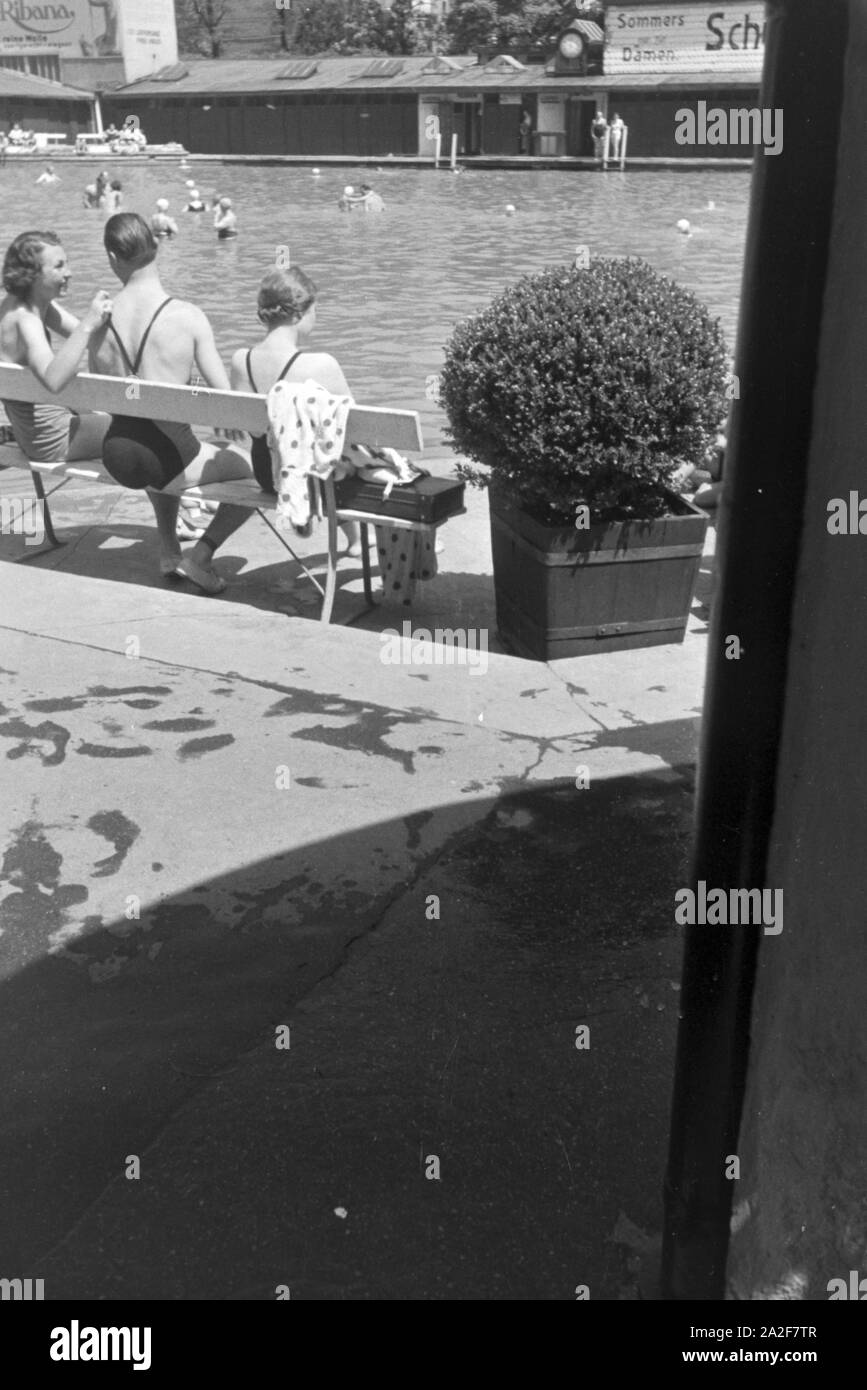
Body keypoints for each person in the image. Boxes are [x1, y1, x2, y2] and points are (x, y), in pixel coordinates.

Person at [89, 213, 256, 593]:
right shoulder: (187, 317)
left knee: (153, 445)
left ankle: (168, 549)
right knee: (253, 472)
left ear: (113, 257)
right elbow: (227, 399)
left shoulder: (99, 320)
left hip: (117, 453)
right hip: (167, 457)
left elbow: (99, 388)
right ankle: (201, 557)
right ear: (157, 247)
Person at [229, 265, 361, 555]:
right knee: (334, 452)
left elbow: (249, 428)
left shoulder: (241, 361)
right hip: (313, 479)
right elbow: (356, 430)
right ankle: (363, 538)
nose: (317, 316)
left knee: (306, 444)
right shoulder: (321, 365)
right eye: (316, 309)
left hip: (267, 473)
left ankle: (357, 539)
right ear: (299, 314)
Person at [0, 230, 112, 464]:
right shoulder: (26, 319)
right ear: (32, 275)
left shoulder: (22, 305)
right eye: (59, 266)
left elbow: (90, 339)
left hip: (31, 434)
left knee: (131, 419)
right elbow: (54, 379)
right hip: (52, 440)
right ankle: (183, 494)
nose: (69, 273)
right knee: (141, 429)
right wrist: (90, 323)